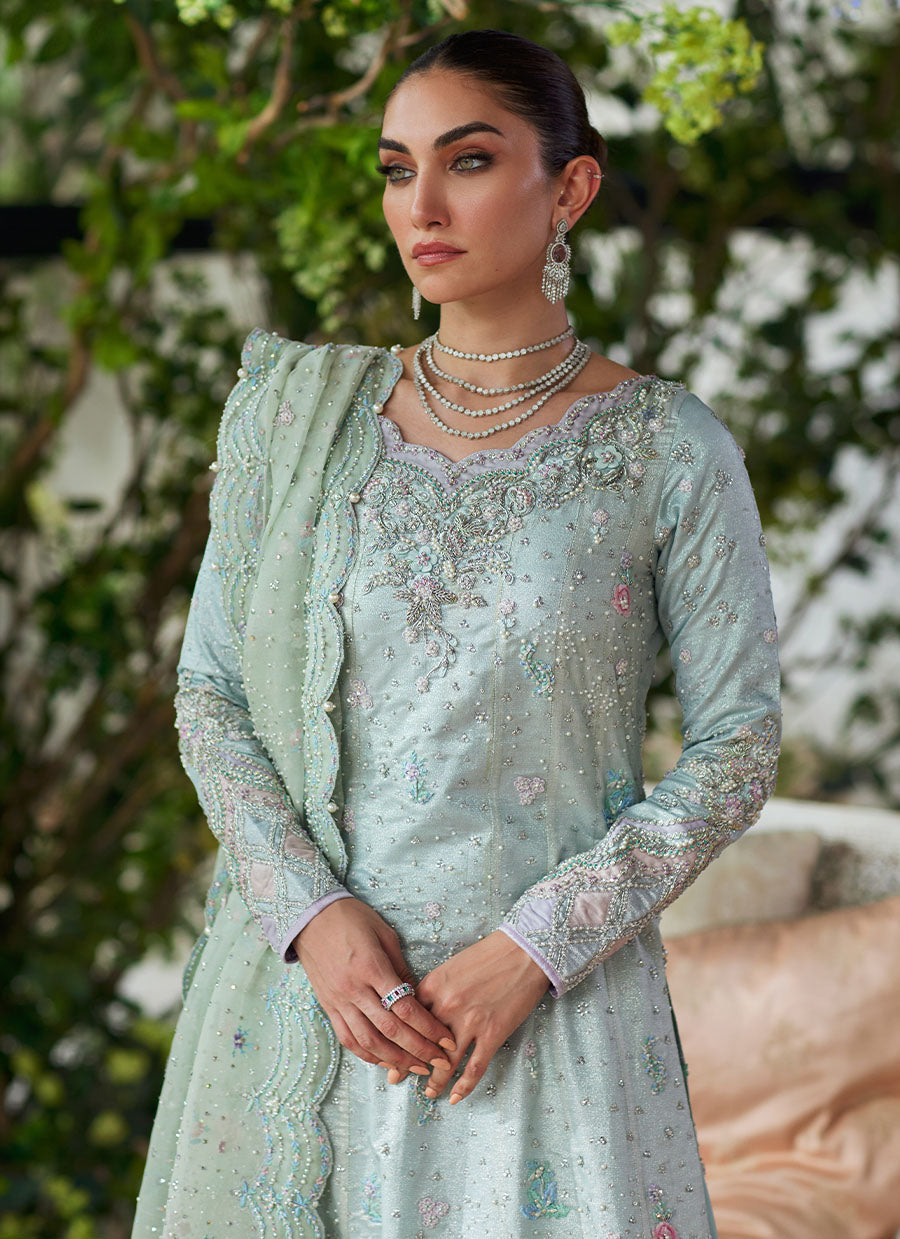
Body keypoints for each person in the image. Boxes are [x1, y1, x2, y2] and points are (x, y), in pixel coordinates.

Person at [132, 28, 781, 1239]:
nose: (420, 206)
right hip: (311, 1008)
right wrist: (310, 917)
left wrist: (536, 948)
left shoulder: (667, 448)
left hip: (547, 1020)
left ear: (569, 187)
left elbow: (738, 747)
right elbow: (212, 692)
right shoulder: (299, 420)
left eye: (468, 161)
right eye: (397, 169)